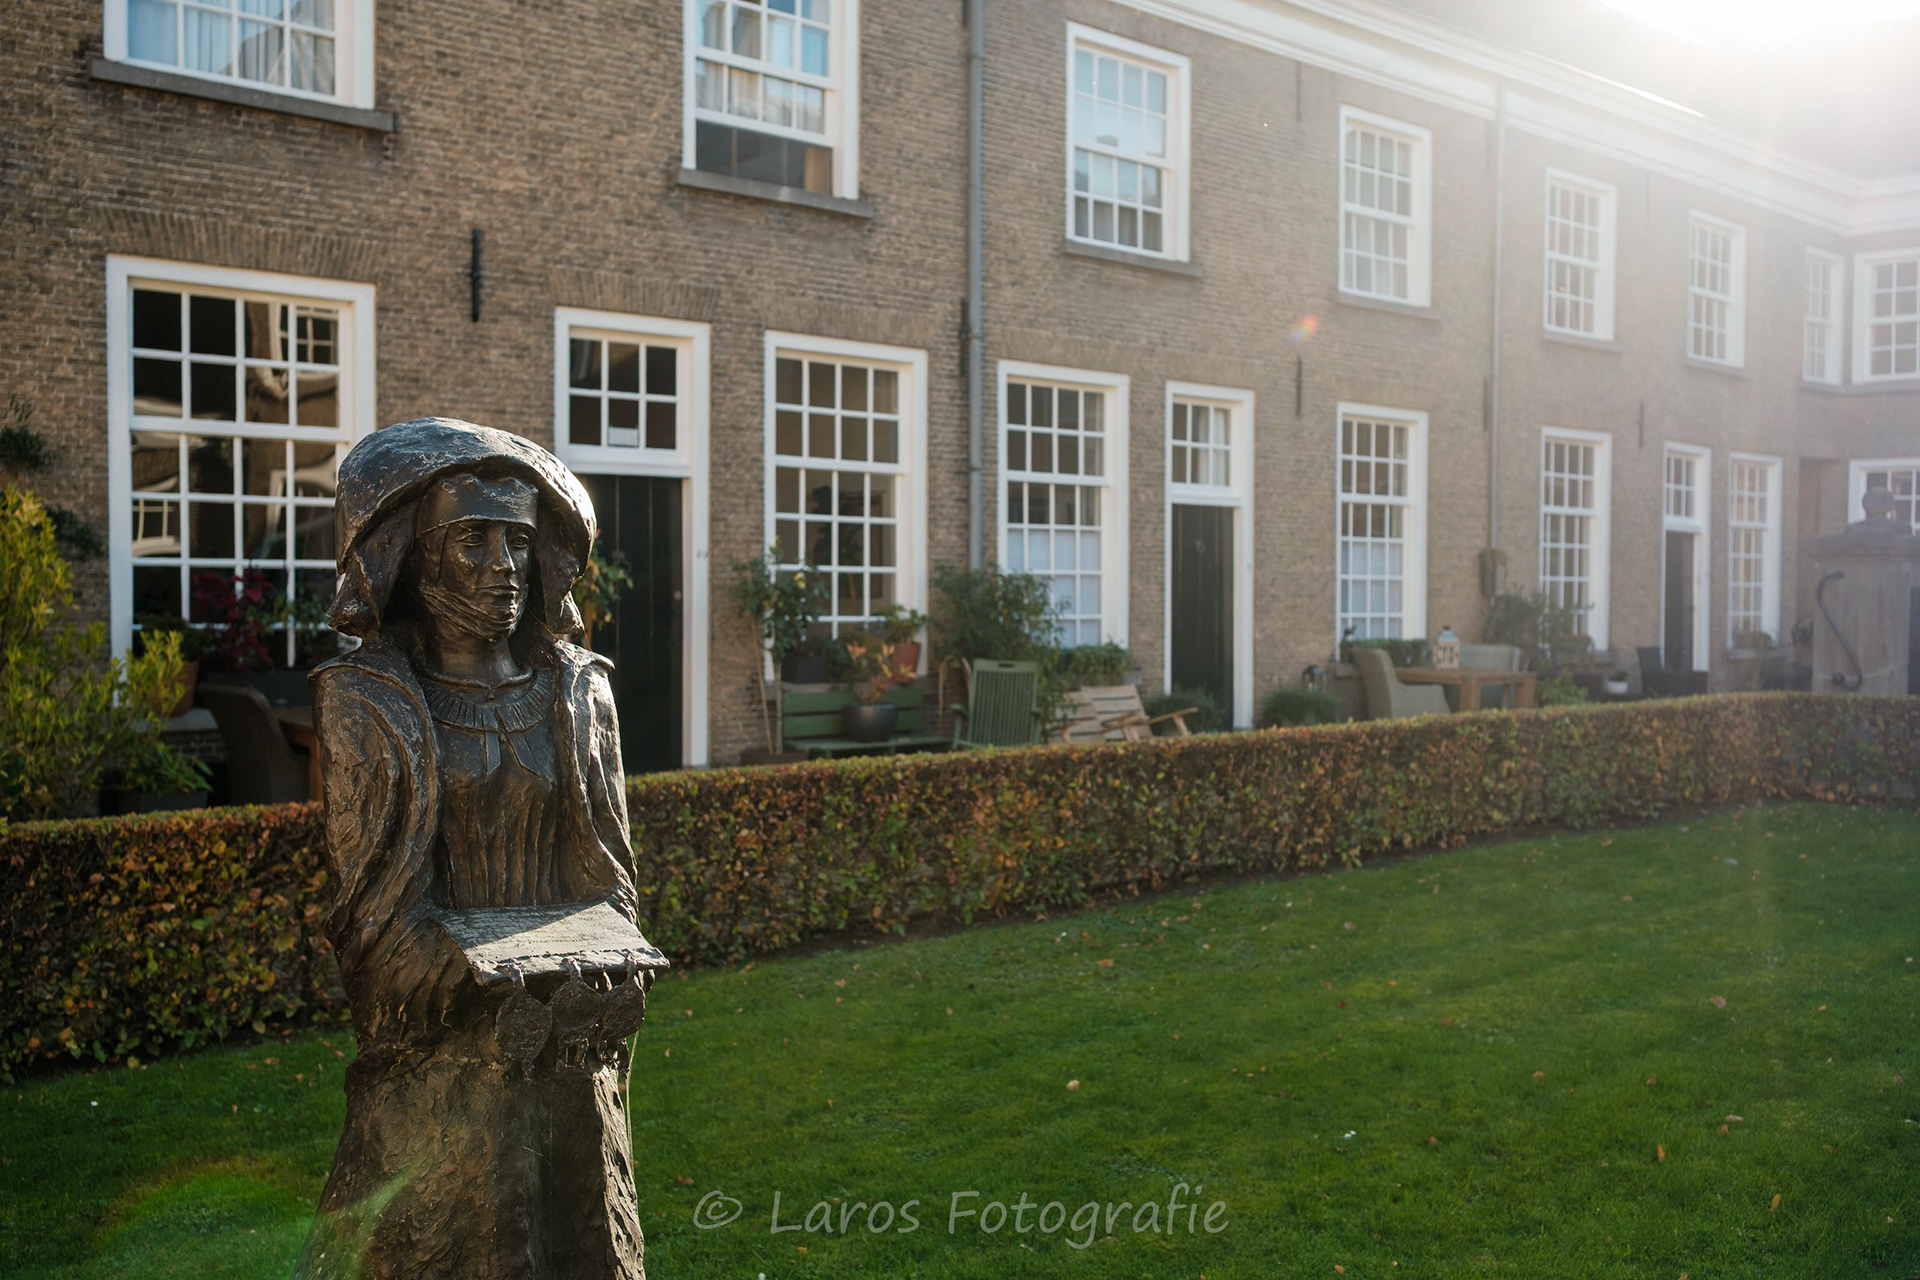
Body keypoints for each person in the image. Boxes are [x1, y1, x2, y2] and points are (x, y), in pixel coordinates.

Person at [292, 418, 645, 1280]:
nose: (503, 566)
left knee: (580, 1243)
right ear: (413, 557)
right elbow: (373, 923)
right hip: (444, 1070)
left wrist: (607, 963)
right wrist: (474, 972)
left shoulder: (578, 694)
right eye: (472, 539)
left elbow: (613, 877)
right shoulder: (368, 702)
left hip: (564, 1058)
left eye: (518, 541)